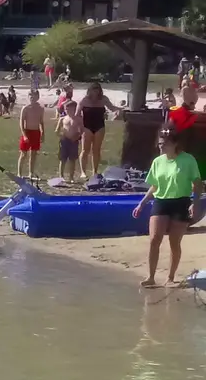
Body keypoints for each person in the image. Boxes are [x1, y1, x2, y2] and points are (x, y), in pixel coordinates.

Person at [132, 128, 204, 287]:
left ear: (175, 143)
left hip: (181, 202)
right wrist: (142, 203)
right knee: (154, 239)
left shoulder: (188, 160)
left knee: (174, 242)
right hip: (161, 202)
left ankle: (170, 278)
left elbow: (197, 184)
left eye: (164, 144)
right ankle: (151, 277)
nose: (161, 147)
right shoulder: (158, 161)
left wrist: (195, 202)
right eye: (159, 144)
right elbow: (155, 186)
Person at [78, 83, 118, 179]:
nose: (95, 91)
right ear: (89, 90)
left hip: (100, 126)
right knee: (85, 150)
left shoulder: (103, 99)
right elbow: (77, 113)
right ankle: (83, 172)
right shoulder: (84, 100)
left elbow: (112, 108)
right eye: (93, 89)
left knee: (96, 150)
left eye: (97, 89)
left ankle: (94, 171)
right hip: (87, 126)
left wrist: (120, 110)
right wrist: (79, 126)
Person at [17, 89, 45, 179]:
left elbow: (41, 122)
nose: (32, 97)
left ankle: (31, 173)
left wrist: (42, 133)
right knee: (23, 154)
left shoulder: (40, 108)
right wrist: (24, 135)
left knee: (33, 154)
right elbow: (21, 123)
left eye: (34, 96)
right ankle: (19, 173)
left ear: (38, 97)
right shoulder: (25, 108)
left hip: (36, 132)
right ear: (28, 97)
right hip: (27, 131)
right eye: (30, 96)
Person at [55, 102, 82, 181]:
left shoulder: (78, 119)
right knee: (62, 159)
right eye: (66, 109)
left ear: (74, 109)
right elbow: (57, 130)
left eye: (70, 109)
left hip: (73, 141)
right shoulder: (62, 119)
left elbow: (81, 130)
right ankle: (61, 176)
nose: (68, 110)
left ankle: (71, 177)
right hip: (64, 141)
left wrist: (77, 136)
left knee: (72, 159)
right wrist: (61, 135)